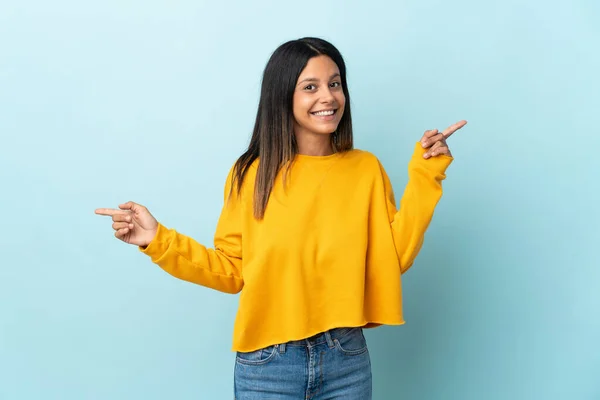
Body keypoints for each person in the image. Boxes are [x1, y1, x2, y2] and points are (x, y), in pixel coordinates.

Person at [95, 37, 466, 399]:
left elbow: (392, 259)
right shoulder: (251, 174)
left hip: (347, 359)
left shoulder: (365, 169)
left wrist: (425, 175)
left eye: (335, 84)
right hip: (268, 366)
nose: (328, 97)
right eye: (311, 86)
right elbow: (231, 270)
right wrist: (157, 239)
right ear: (283, 95)